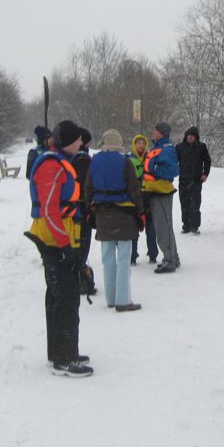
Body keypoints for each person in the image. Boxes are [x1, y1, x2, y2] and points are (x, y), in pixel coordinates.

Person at [24, 120, 92, 377]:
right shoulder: (52, 165)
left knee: (57, 294)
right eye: (77, 141)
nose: (81, 144)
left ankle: (59, 351)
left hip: (58, 237)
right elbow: (50, 209)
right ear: (68, 142)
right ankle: (65, 358)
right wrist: (65, 246)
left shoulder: (58, 161)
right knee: (66, 296)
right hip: (54, 240)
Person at [84, 129, 144, 312]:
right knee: (124, 258)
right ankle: (123, 300)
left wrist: (89, 210)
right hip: (124, 214)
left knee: (107, 258)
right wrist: (140, 213)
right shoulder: (125, 162)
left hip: (102, 214)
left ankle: (110, 297)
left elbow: (88, 188)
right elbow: (134, 189)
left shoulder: (95, 161)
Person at [142, 121, 180, 274]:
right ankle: (172, 257)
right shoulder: (159, 148)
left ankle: (169, 260)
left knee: (163, 227)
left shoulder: (166, 149)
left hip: (161, 192)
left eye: (155, 130)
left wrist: (154, 171)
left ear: (162, 133)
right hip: (155, 191)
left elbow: (172, 170)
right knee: (163, 226)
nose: (153, 132)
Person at [70, 127, 97, 296]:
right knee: (82, 243)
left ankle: (77, 277)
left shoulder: (71, 158)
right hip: (80, 207)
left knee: (75, 243)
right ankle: (81, 279)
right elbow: (86, 185)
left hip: (72, 206)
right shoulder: (83, 160)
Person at [127, 134, 158, 265]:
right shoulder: (128, 159)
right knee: (133, 227)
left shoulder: (150, 158)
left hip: (148, 195)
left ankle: (153, 254)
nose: (141, 145)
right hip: (133, 197)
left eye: (143, 143)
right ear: (134, 144)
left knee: (151, 227)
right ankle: (132, 256)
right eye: (139, 143)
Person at [176, 126, 211, 234]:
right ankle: (186, 226)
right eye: (188, 135)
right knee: (184, 204)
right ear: (186, 136)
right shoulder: (179, 147)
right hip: (183, 180)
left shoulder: (201, 147)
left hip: (196, 180)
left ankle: (195, 226)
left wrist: (205, 174)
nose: (190, 137)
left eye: (192, 135)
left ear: (196, 137)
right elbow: (173, 161)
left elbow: (207, 161)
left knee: (195, 204)